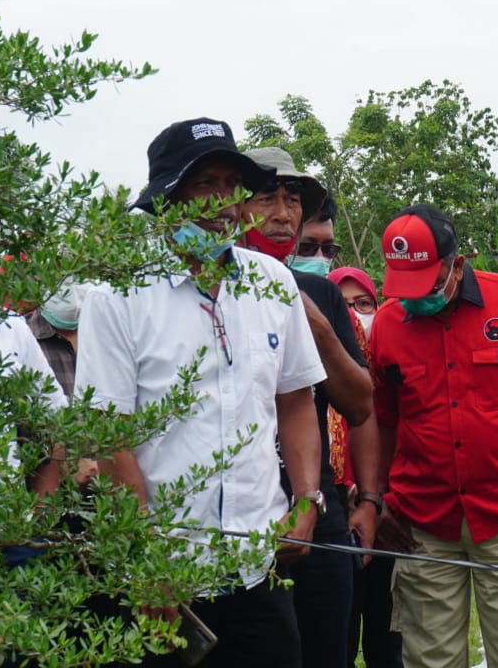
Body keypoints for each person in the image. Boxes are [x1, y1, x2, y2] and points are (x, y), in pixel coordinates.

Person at [76, 118, 326, 668]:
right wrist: (147, 564)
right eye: (204, 185)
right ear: (166, 200)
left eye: (234, 185)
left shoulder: (272, 282)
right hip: (163, 584)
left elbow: (295, 401)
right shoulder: (117, 293)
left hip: (257, 569)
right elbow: (109, 437)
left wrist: (307, 499)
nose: (225, 203)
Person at [369, 204, 498, 668]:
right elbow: (383, 419)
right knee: (430, 658)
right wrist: (379, 494)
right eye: (402, 288)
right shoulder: (386, 324)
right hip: (423, 521)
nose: (412, 300)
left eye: (423, 285)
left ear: (456, 266)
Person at [239, 146, 381, 668]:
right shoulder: (201, 292)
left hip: (315, 514)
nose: (282, 215)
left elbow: (359, 405)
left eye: (292, 200)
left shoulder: (320, 293)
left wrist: (367, 499)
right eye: (266, 198)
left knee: (328, 652)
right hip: (233, 519)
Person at [328, 265, 403, 668]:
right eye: (341, 305)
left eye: (363, 304)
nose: (354, 315)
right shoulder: (316, 372)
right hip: (336, 516)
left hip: (391, 519)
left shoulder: (393, 369)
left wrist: (381, 496)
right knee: (338, 635)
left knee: (387, 637)